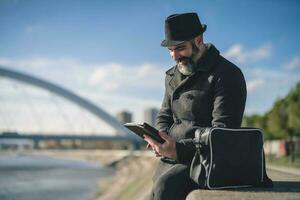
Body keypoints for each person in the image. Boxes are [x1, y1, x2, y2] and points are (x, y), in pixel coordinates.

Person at [144, 12, 247, 200]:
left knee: (165, 187)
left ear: (198, 40)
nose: (174, 56)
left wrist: (179, 149)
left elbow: (223, 133)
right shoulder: (172, 76)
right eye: (170, 50)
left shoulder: (227, 74)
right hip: (171, 157)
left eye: (180, 48)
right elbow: (164, 114)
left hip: (205, 160)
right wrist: (159, 137)